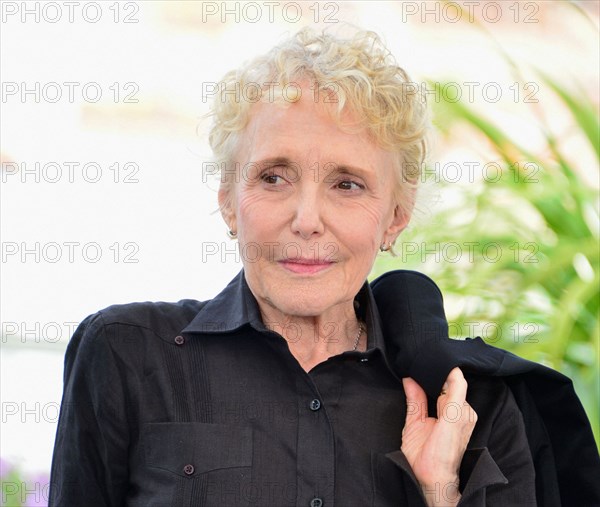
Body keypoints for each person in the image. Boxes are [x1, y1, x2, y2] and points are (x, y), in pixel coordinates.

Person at [48, 27, 596, 507]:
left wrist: (439, 494)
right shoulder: (126, 354)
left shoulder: (470, 406)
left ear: (395, 218)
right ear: (227, 201)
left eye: (347, 184)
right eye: (273, 177)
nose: (307, 219)